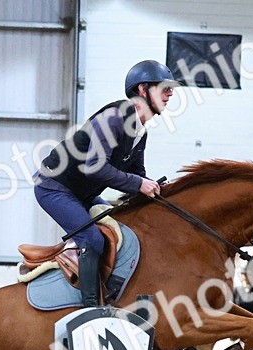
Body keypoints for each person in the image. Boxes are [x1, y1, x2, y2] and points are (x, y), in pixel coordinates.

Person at [34, 60, 177, 306]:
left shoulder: (140, 131)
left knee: (123, 229)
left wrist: (161, 192)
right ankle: (90, 308)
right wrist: (140, 184)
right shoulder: (114, 117)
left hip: (83, 193)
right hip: (54, 187)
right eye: (164, 88)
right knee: (93, 239)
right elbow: (95, 167)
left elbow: (138, 175)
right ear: (143, 90)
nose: (170, 94)